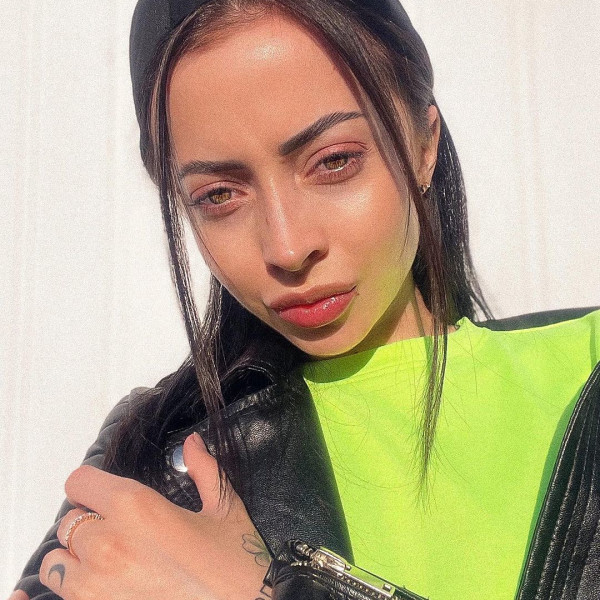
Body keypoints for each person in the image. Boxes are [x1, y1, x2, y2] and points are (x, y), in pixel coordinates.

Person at [10, 0, 600, 599]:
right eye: (219, 195)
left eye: (334, 162)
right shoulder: (157, 462)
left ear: (424, 144)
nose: (288, 247)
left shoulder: (589, 369)